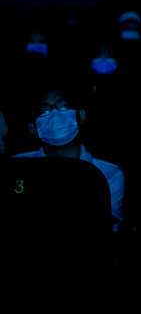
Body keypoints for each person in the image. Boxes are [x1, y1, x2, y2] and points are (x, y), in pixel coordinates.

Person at [14, 87, 125, 227]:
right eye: (45, 111)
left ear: (81, 115)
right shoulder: (17, 167)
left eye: (63, 108)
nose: (55, 115)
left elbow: (107, 227)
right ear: (32, 127)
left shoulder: (110, 174)